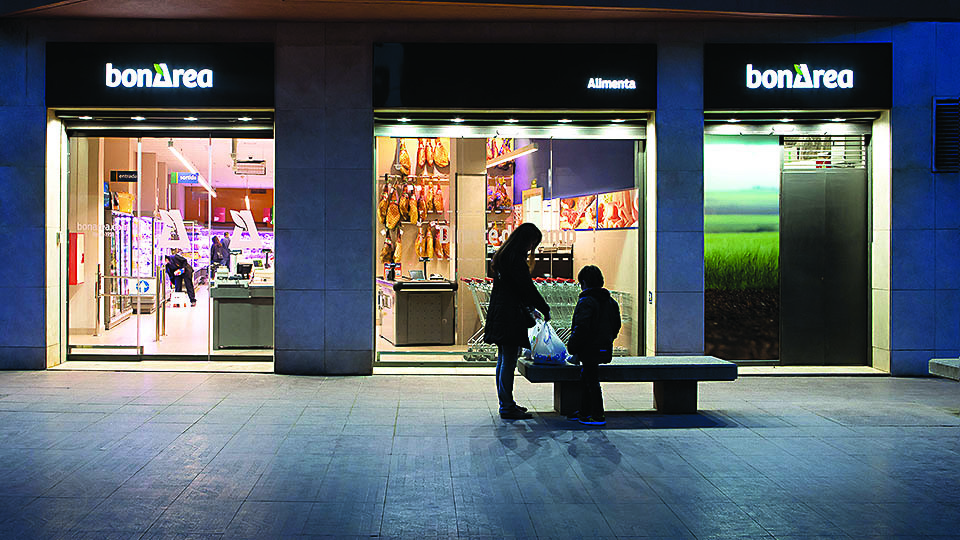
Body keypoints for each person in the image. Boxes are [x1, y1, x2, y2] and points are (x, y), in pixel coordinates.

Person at [483, 222, 551, 420]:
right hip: (510, 317)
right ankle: (506, 406)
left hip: (500, 313)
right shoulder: (516, 260)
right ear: (526, 240)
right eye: (533, 243)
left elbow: (514, 289)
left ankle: (506, 402)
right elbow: (527, 288)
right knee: (508, 361)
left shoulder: (502, 256)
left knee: (503, 359)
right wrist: (543, 307)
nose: (532, 248)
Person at [566, 265, 621, 426]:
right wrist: (608, 340)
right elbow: (616, 325)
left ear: (584, 282)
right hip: (603, 346)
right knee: (587, 378)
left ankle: (597, 414)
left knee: (590, 380)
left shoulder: (586, 301)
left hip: (589, 347)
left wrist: (572, 346)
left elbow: (581, 327)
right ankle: (584, 411)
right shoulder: (610, 301)